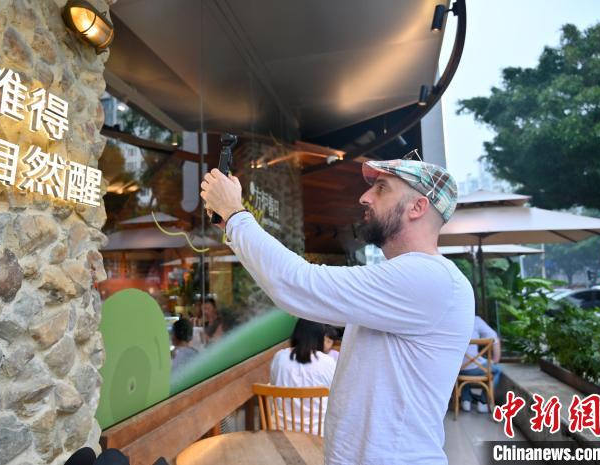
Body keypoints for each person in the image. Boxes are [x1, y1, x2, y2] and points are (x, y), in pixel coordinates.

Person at [201, 156, 474, 465]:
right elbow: (299, 289)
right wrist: (232, 225)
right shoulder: (404, 281)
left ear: (417, 207)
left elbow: (299, 285)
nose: (364, 197)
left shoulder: (431, 278)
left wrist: (236, 216)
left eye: (381, 188)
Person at [270, 319, 337, 435]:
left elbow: (273, 384)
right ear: (319, 338)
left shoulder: (279, 357)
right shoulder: (328, 362)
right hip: (317, 433)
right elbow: (335, 395)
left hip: (281, 430)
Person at [459, 315, 502, 413]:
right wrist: (495, 360)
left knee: (460, 367)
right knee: (497, 370)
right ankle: (483, 402)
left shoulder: (447, 319)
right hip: (474, 368)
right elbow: (494, 339)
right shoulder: (475, 320)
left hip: (453, 369)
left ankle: (466, 399)